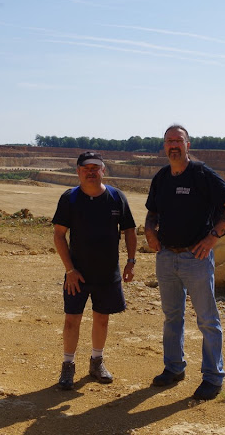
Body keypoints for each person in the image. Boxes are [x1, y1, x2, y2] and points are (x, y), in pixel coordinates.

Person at [145, 124, 225, 401]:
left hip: (196, 257)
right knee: (171, 317)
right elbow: (153, 212)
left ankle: (213, 378)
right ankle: (173, 368)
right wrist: (150, 231)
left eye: (178, 140)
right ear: (164, 146)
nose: (173, 145)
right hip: (167, 257)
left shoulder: (202, 175)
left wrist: (213, 238)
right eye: (169, 141)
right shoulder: (162, 177)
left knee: (207, 320)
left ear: (188, 144)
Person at [52, 151, 137, 390]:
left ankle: (97, 362)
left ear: (103, 170)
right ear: (78, 172)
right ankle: (68, 366)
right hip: (76, 274)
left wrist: (131, 261)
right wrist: (70, 270)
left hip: (108, 274)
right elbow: (59, 235)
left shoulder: (116, 197)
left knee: (102, 320)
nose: (91, 171)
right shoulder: (70, 198)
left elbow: (130, 230)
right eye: (86, 168)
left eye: (95, 167)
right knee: (71, 320)